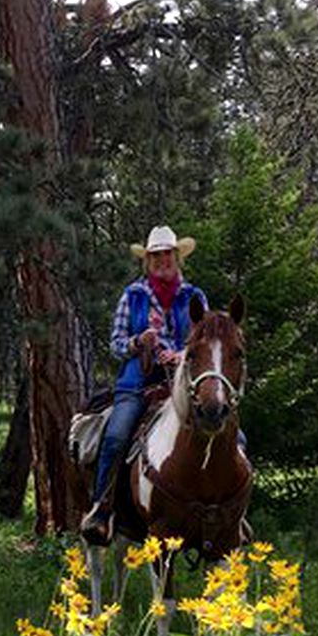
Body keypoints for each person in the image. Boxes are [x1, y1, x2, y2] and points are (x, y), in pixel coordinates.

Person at [80, 225, 207, 545]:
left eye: (167, 254)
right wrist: (139, 341)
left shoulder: (194, 296)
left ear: (177, 257)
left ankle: (232, 517)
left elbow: (204, 341)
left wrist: (181, 354)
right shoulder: (133, 296)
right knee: (117, 433)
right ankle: (102, 508)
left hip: (182, 383)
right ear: (148, 261)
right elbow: (116, 344)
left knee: (233, 434)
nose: (163, 260)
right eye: (156, 256)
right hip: (137, 383)